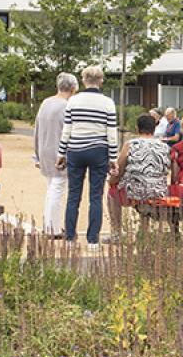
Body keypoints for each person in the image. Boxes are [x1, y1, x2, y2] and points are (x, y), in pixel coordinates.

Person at [58, 65, 119, 245]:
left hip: (75, 149)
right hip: (98, 150)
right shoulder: (108, 103)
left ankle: (69, 237)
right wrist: (113, 158)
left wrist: (61, 153)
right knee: (95, 196)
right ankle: (92, 240)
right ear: (101, 81)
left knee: (73, 195)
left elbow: (66, 130)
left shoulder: (73, 101)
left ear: (84, 80)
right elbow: (111, 133)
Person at [108, 112, 172, 237]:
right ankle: (144, 228)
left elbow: (119, 169)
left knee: (112, 192)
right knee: (146, 182)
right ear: (154, 129)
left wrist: (111, 181)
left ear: (137, 128)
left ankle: (116, 232)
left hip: (136, 192)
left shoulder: (130, 145)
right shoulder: (164, 146)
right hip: (159, 191)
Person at [33, 73, 78, 236]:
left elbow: (37, 129)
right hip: (59, 152)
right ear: (73, 89)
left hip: (44, 149)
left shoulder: (46, 103)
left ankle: (49, 224)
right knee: (57, 189)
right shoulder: (67, 106)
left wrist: (36, 153)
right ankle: (53, 228)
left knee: (51, 187)